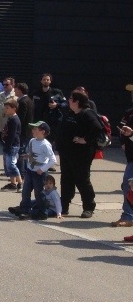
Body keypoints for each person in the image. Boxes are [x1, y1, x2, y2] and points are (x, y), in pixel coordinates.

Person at [54, 90, 100, 218]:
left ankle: (88, 207)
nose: (68, 100)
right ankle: (64, 206)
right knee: (66, 179)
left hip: (81, 154)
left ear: (77, 101)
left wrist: (85, 140)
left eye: (71, 98)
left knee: (82, 179)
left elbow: (97, 128)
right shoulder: (70, 113)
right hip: (66, 153)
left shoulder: (87, 113)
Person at [9, 121, 57, 219]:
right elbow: (32, 154)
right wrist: (27, 156)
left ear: (42, 132)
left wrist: (42, 169)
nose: (33, 130)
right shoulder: (32, 141)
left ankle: (42, 212)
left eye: (35, 129)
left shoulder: (45, 145)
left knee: (39, 194)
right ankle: (24, 210)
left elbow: (53, 160)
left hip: (39, 173)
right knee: (25, 191)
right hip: (30, 170)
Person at [112, 106, 133, 227]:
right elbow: (121, 127)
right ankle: (128, 216)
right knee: (128, 184)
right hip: (131, 156)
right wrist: (124, 140)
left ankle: (128, 216)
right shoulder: (129, 113)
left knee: (128, 183)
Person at [0, 98, 23, 190]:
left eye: (7, 108)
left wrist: (8, 146)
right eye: (5, 108)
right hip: (8, 144)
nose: (5, 110)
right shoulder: (11, 118)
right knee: (7, 164)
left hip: (12, 145)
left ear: (14, 108)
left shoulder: (14, 120)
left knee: (11, 164)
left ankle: (20, 182)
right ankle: (13, 183)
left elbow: (12, 135)